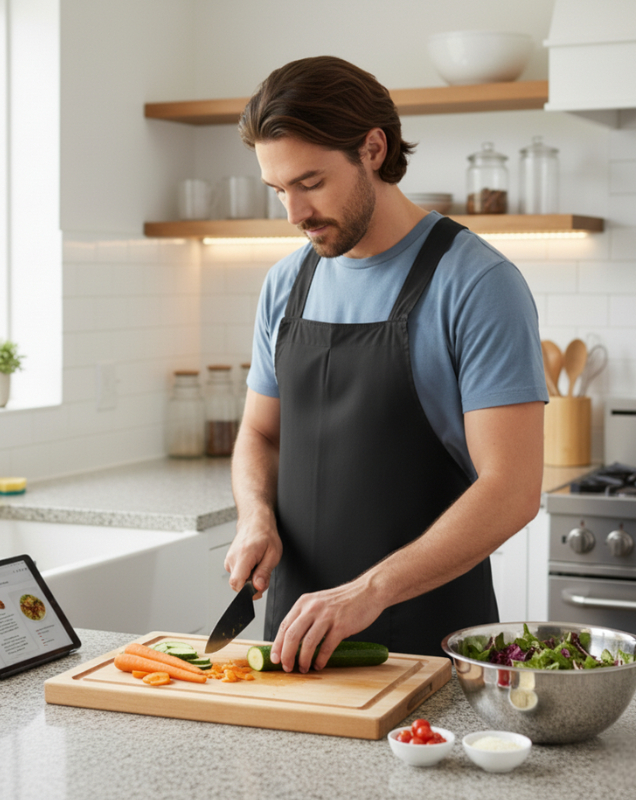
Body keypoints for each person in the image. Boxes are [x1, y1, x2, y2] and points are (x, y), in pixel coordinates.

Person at [225, 56, 547, 673]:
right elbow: (261, 434)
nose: (294, 214)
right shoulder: (286, 283)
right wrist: (254, 518)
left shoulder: (478, 283)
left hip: (426, 644)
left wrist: (366, 593)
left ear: (373, 148)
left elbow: (512, 490)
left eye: (310, 182)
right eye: (279, 190)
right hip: (293, 638)